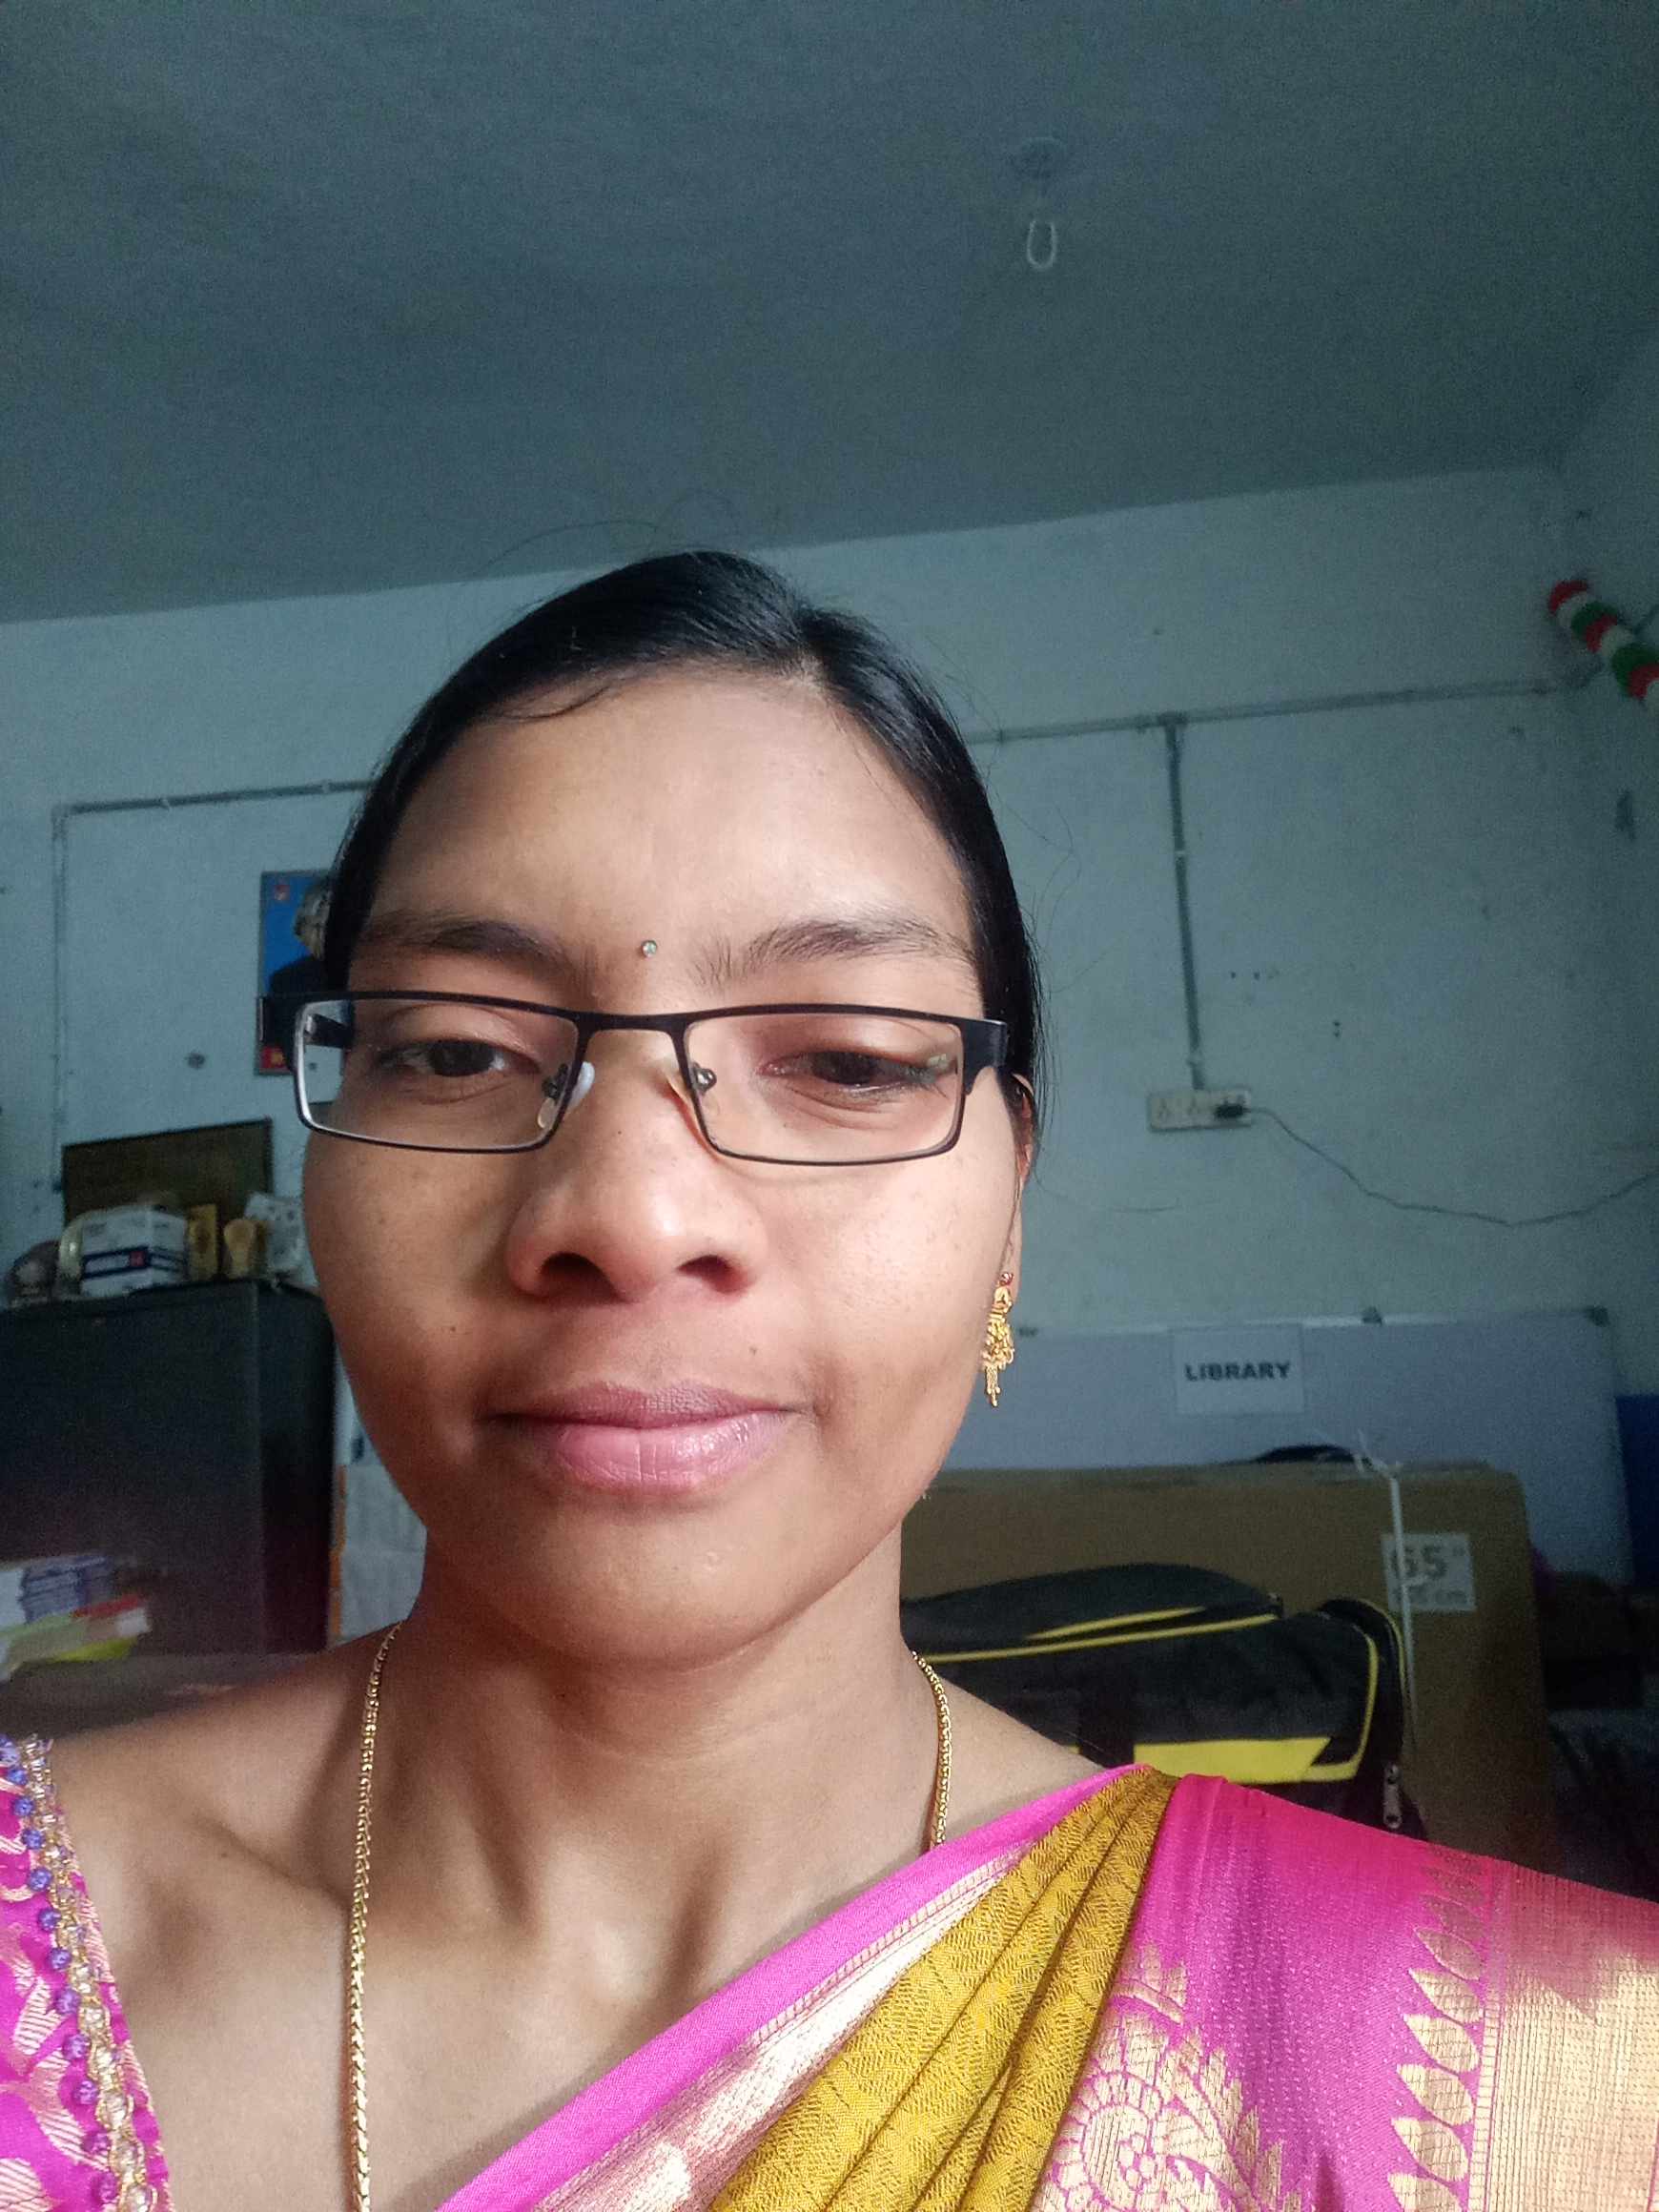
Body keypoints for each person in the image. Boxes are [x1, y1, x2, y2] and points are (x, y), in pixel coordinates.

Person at [3, 553, 1654, 2212]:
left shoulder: (1544, 2082)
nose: (633, 1218)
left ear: (1011, 1205)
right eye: (455, 1050)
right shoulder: (33, 1963)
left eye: (848, 1062)